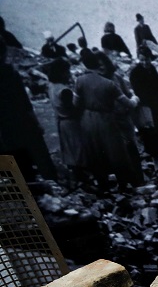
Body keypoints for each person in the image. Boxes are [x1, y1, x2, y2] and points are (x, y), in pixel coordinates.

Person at [72, 50, 139, 191]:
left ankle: (102, 185)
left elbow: (75, 104)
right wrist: (135, 98)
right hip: (106, 119)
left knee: (95, 151)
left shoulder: (79, 80)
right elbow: (128, 103)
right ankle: (123, 184)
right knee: (116, 151)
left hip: (88, 119)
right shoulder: (109, 84)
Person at [0, 36, 58, 181]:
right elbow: (25, 103)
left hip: (4, 130)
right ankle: (51, 187)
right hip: (22, 122)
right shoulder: (10, 74)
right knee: (39, 157)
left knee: (17, 166)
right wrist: (37, 124)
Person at [96, 51, 144, 187]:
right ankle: (125, 182)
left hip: (125, 118)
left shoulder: (116, 77)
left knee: (131, 149)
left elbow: (128, 92)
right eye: (98, 65)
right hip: (111, 121)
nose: (101, 67)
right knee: (118, 153)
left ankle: (138, 180)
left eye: (102, 64)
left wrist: (131, 99)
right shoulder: (99, 82)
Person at [130, 45, 158, 159]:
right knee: (151, 133)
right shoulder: (135, 72)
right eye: (142, 60)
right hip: (146, 107)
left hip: (157, 105)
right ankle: (156, 160)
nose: (145, 62)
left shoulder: (152, 68)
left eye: (147, 59)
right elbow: (138, 91)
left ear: (150, 58)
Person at [46, 58, 84, 184]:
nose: (69, 74)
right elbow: (73, 109)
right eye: (67, 72)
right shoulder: (64, 90)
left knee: (69, 150)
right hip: (71, 122)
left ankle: (77, 177)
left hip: (61, 121)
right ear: (61, 73)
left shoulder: (51, 86)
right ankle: (82, 177)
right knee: (78, 149)